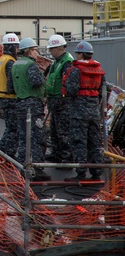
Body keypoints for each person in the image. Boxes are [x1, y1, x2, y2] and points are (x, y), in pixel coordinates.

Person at [61, 40, 106, 181]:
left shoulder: (76, 71)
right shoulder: (99, 71)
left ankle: (80, 173)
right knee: (94, 141)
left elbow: (71, 90)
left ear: (80, 54)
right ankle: (96, 171)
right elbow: (102, 90)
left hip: (78, 112)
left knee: (79, 141)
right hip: (94, 112)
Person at [9, 37, 50, 180]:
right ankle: (38, 169)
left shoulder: (15, 65)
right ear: (28, 51)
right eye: (34, 50)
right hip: (33, 105)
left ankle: (20, 166)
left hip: (19, 103)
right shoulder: (31, 65)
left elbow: (10, 87)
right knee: (38, 136)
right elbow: (36, 82)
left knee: (22, 136)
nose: (36, 53)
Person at [42, 34, 73, 163]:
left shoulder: (67, 62)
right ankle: (56, 153)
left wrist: (62, 98)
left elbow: (67, 82)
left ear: (59, 48)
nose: (50, 51)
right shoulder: (56, 62)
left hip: (63, 103)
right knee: (54, 130)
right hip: (54, 102)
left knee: (63, 131)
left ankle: (66, 156)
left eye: (51, 49)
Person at [0, 33, 20, 158]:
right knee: (13, 129)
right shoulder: (10, 62)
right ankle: (8, 153)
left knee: (10, 127)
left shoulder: (1, 59)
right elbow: (12, 82)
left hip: (3, 97)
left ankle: (2, 148)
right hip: (10, 98)